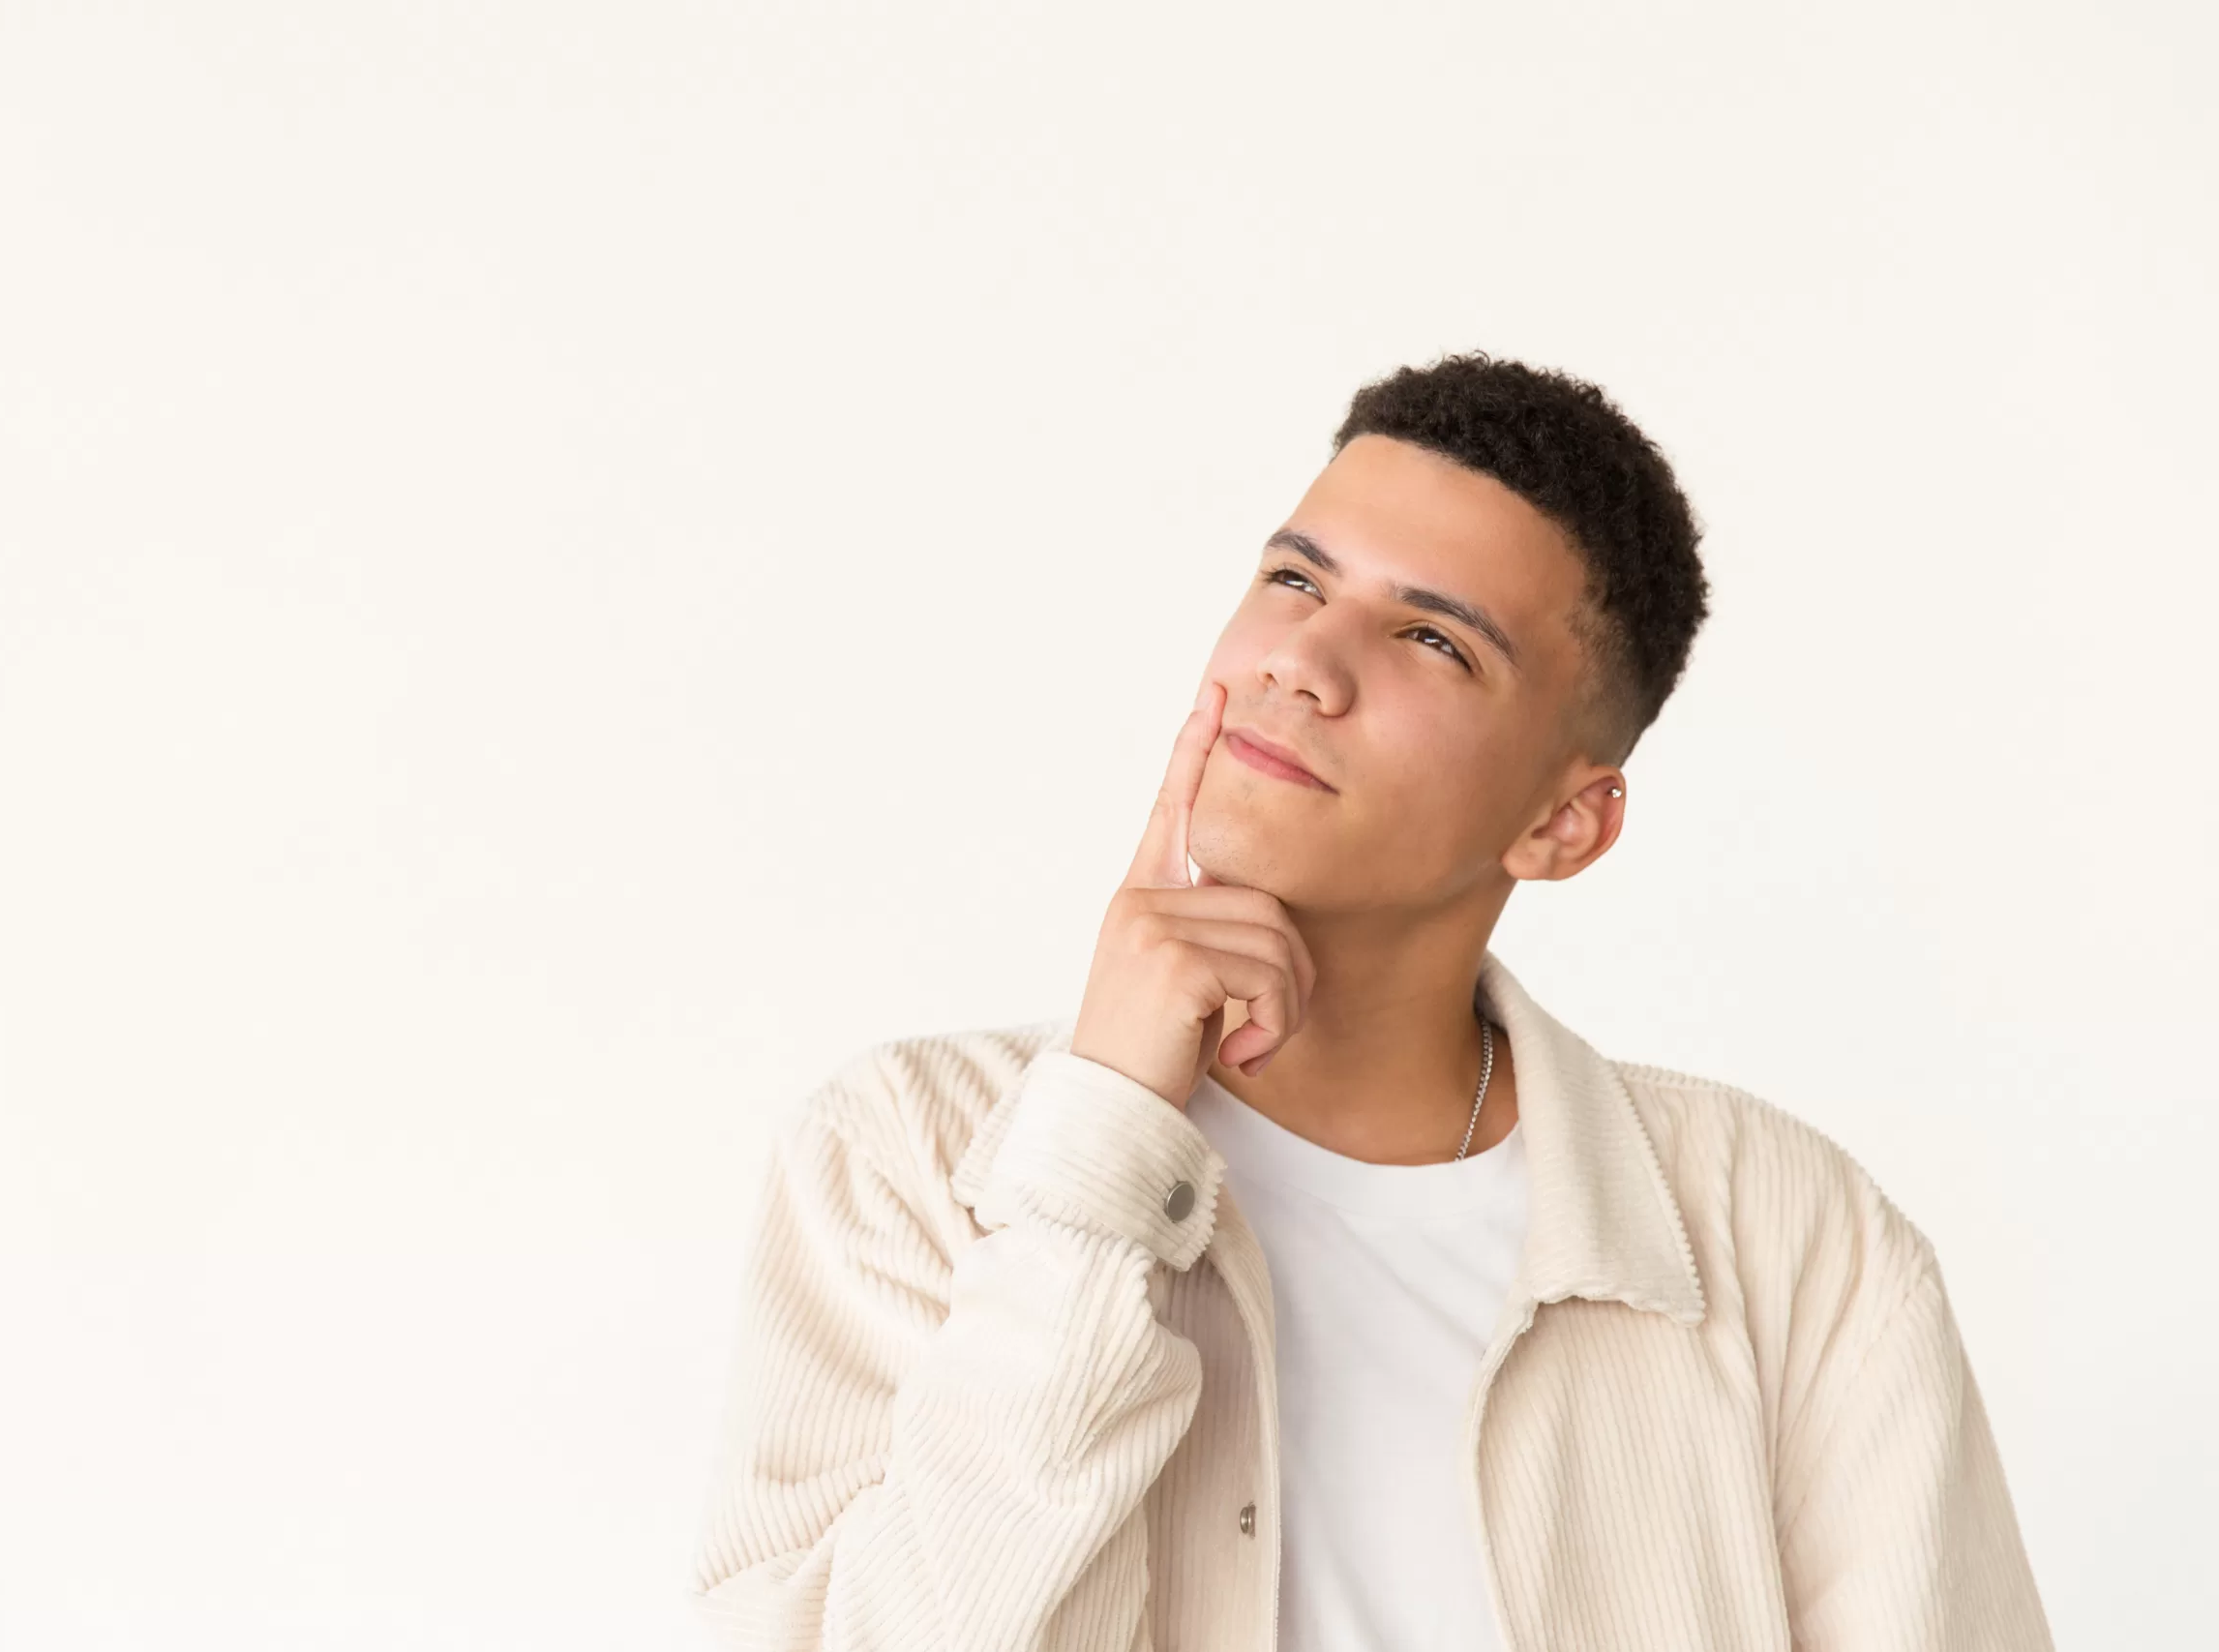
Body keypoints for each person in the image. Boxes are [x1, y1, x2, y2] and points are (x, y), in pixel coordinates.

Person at [686, 354, 2054, 1651]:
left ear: (1566, 823)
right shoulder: (910, 1156)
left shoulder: (1792, 1241)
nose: (1304, 661)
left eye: (1433, 642)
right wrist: (1095, 1155)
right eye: (1294, 577)